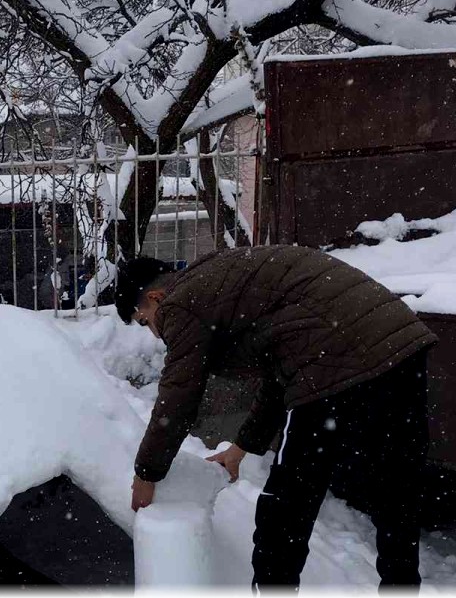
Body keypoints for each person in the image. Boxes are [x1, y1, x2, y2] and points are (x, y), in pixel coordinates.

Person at [116, 246, 437, 590]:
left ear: (155, 296)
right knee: (396, 492)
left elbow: (179, 395)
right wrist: (241, 447)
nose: (153, 330)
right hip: (401, 347)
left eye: (145, 320)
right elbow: (279, 373)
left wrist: (147, 472)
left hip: (336, 358)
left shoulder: (181, 302)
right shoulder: (220, 278)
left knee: (285, 511)